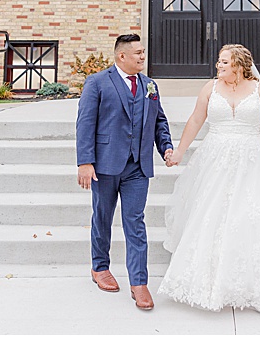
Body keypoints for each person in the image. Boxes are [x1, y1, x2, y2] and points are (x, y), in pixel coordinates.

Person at [160, 44, 260, 316]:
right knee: (212, 216)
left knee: (251, 216)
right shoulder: (209, 89)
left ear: (239, 66)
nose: (218, 66)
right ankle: (210, 281)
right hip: (215, 159)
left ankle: (253, 284)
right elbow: (196, 120)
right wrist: (179, 152)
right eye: (219, 62)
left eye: (223, 62)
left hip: (252, 160)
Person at [75, 33, 174, 311]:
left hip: (138, 166)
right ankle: (100, 267)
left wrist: (165, 147)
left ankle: (139, 282)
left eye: (143, 53)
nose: (143, 57)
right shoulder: (97, 82)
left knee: (135, 221)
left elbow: (159, 121)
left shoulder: (150, 85)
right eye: (138, 53)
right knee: (103, 217)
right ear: (122, 56)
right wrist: (85, 162)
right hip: (104, 166)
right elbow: (85, 123)